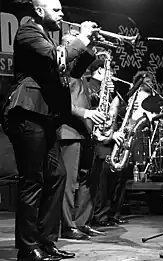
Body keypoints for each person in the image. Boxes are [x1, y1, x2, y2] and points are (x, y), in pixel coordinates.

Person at [1, 0, 101, 261]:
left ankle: (47, 242)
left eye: (61, 8)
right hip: (28, 111)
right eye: (55, 9)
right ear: (38, 10)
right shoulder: (28, 32)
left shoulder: (48, 37)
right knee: (32, 180)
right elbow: (53, 59)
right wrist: (80, 38)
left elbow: (71, 72)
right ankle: (28, 247)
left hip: (45, 116)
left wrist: (88, 43)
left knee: (56, 177)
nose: (61, 13)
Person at [58, 33, 107, 241]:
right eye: (73, 43)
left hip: (85, 132)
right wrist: (87, 114)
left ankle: (82, 222)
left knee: (89, 181)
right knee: (68, 183)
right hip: (69, 132)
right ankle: (68, 226)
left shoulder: (79, 74)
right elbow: (62, 106)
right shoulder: (61, 70)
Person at [87, 60, 129, 227]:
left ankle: (110, 214)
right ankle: (100, 216)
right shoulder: (90, 85)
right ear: (99, 70)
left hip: (110, 137)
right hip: (98, 140)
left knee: (115, 178)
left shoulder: (107, 89)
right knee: (102, 183)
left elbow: (112, 114)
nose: (112, 75)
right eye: (109, 71)